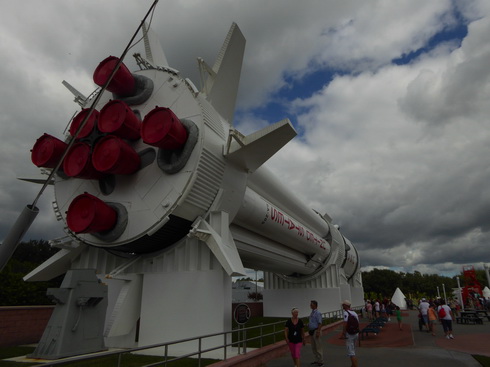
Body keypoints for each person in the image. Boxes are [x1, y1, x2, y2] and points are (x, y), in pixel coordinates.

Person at [341, 300, 359, 367]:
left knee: (351, 353)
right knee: (353, 351)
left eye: (343, 305)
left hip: (349, 334)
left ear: (346, 305)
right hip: (355, 333)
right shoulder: (354, 313)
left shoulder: (346, 313)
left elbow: (345, 324)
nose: (342, 306)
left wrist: (343, 333)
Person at [308, 300, 324, 366]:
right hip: (312, 331)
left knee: (318, 347)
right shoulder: (312, 313)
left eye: (311, 304)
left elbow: (320, 323)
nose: (310, 305)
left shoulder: (318, 313)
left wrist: (318, 331)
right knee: (313, 347)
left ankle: (321, 361)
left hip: (316, 331)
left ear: (315, 305)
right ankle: (316, 360)